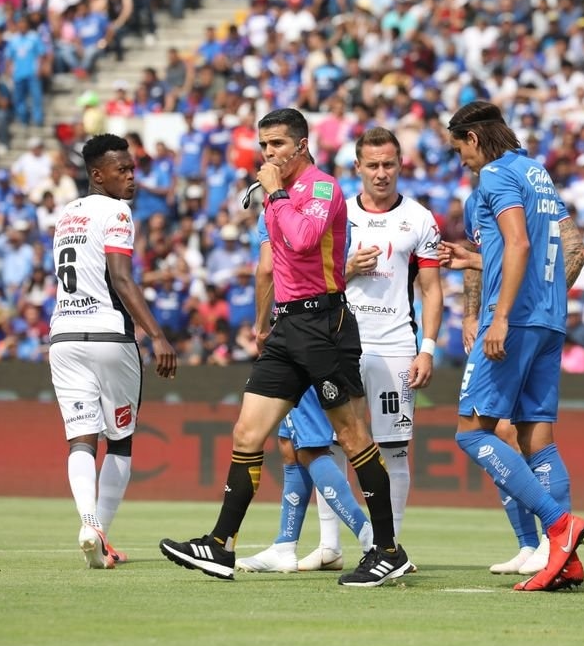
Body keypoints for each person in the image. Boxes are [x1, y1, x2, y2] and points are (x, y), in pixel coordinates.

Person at [159, 108, 411, 587]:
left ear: (300, 145)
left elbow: (301, 240)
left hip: (325, 324)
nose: (268, 153)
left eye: (276, 144)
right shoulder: (277, 195)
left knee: (354, 437)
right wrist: (261, 322)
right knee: (246, 434)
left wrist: (274, 192)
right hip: (287, 326)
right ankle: (220, 545)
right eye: (264, 145)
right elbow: (270, 265)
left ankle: (386, 549)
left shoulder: (321, 187)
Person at [241, 126, 444, 573]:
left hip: (394, 345)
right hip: (338, 339)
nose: (381, 173)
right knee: (324, 443)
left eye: (389, 164)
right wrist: (346, 268)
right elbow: (311, 272)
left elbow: (430, 288)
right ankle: (331, 544)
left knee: (391, 449)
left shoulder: (420, 218)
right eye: (372, 165)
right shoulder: (335, 209)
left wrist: (426, 347)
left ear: (400, 165)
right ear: (358, 168)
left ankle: (389, 544)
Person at [445, 100, 584, 592]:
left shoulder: (495, 177)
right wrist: (472, 260)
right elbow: (566, 248)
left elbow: (518, 245)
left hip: (516, 319)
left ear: (473, 138)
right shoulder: (537, 173)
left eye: (459, 149)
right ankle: (562, 558)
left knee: (472, 431)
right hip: (550, 319)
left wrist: (500, 316)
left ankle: (557, 524)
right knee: (536, 439)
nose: (460, 160)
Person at [48, 133, 176, 569]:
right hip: (108, 337)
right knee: (119, 442)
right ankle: (100, 527)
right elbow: (121, 278)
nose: (131, 178)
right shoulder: (117, 211)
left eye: (132, 169)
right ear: (97, 176)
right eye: (122, 170)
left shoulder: (67, 215)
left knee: (81, 439)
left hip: (64, 336)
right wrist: (156, 334)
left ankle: (89, 526)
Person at [235, 212, 375, 574]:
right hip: (312, 328)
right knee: (289, 444)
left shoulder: (291, 212)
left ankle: (372, 538)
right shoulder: (321, 206)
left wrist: (262, 324)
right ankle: (285, 544)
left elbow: (270, 270)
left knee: (311, 446)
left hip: (305, 332)